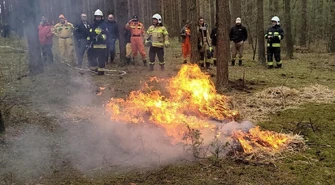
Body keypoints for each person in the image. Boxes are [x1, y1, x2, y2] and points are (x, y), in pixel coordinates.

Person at [86, 9, 109, 75]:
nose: (98, 18)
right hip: (93, 45)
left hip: (102, 45)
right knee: (92, 58)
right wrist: (88, 41)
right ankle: (94, 70)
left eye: (99, 17)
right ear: (95, 17)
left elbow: (107, 35)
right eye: (97, 17)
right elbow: (89, 33)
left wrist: (101, 37)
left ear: (101, 17)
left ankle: (101, 71)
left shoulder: (104, 25)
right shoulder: (92, 24)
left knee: (101, 59)